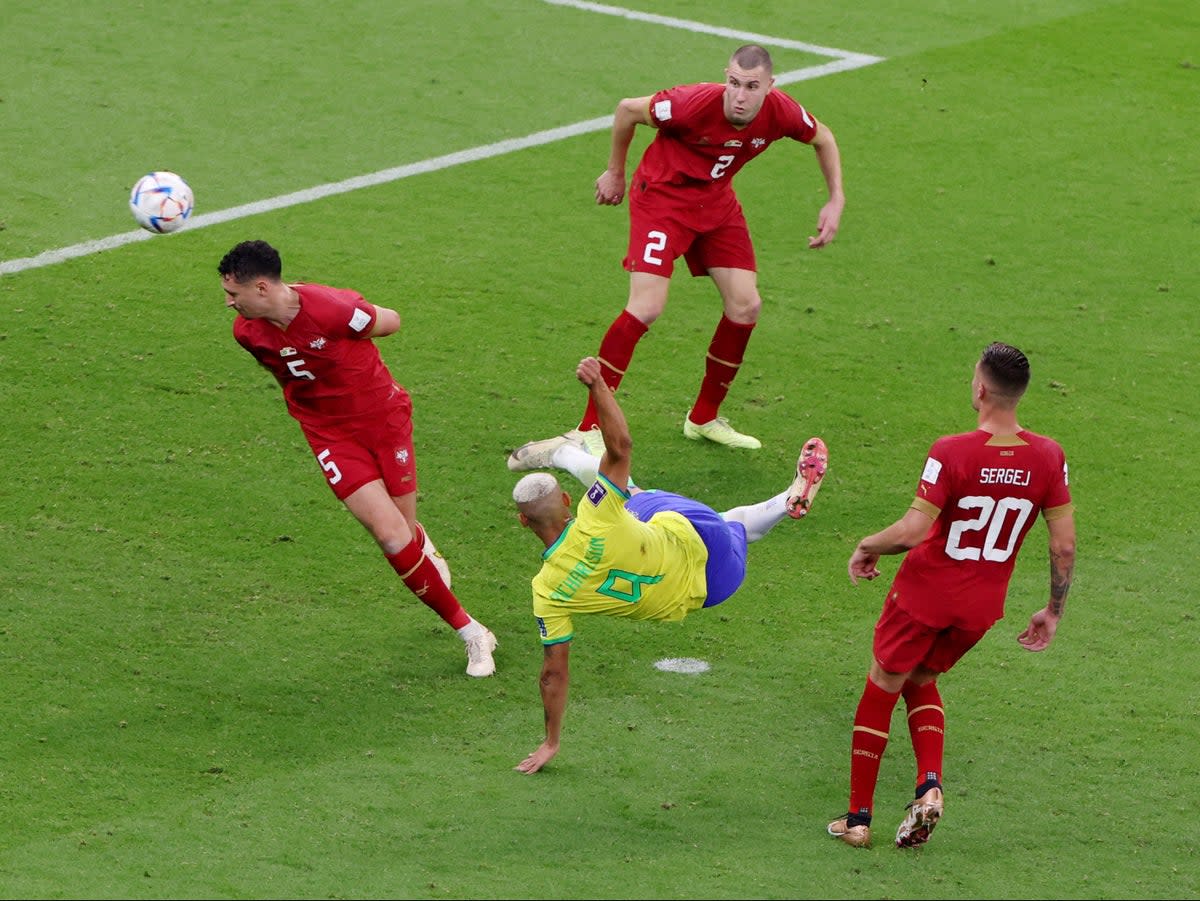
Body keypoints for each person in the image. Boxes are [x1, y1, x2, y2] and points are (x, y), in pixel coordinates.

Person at [508, 43, 844, 469]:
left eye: (752, 87)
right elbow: (627, 109)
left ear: (770, 87)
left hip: (716, 204)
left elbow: (824, 137)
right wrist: (615, 171)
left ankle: (703, 418)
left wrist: (835, 199)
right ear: (726, 76)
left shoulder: (781, 112)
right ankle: (589, 428)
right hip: (662, 202)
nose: (740, 95)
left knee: (746, 305)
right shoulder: (688, 105)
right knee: (647, 305)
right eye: (734, 83)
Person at [511, 355, 829, 774]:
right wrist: (598, 386)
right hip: (692, 532)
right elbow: (620, 447)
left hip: (711, 588)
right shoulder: (596, 514)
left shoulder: (547, 593)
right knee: (636, 494)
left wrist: (551, 741)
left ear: (523, 522)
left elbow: (553, 674)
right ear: (568, 501)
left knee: (729, 523)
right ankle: (568, 453)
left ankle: (783, 504)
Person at [827, 342, 1077, 849]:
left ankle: (857, 819)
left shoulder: (952, 450)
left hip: (925, 594)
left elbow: (913, 531)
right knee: (922, 676)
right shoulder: (1050, 456)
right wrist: (1052, 611)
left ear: (981, 388)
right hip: (980, 609)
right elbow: (1064, 543)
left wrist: (866, 546)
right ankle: (930, 785)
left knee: (883, 683)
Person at [217, 240, 497, 678]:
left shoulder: (331, 309)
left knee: (404, 533)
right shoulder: (246, 333)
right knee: (389, 537)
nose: (229, 303)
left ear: (264, 287)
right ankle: (472, 631)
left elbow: (391, 322)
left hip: (384, 421)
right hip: (331, 437)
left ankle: (420, 545)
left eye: (235, 294)